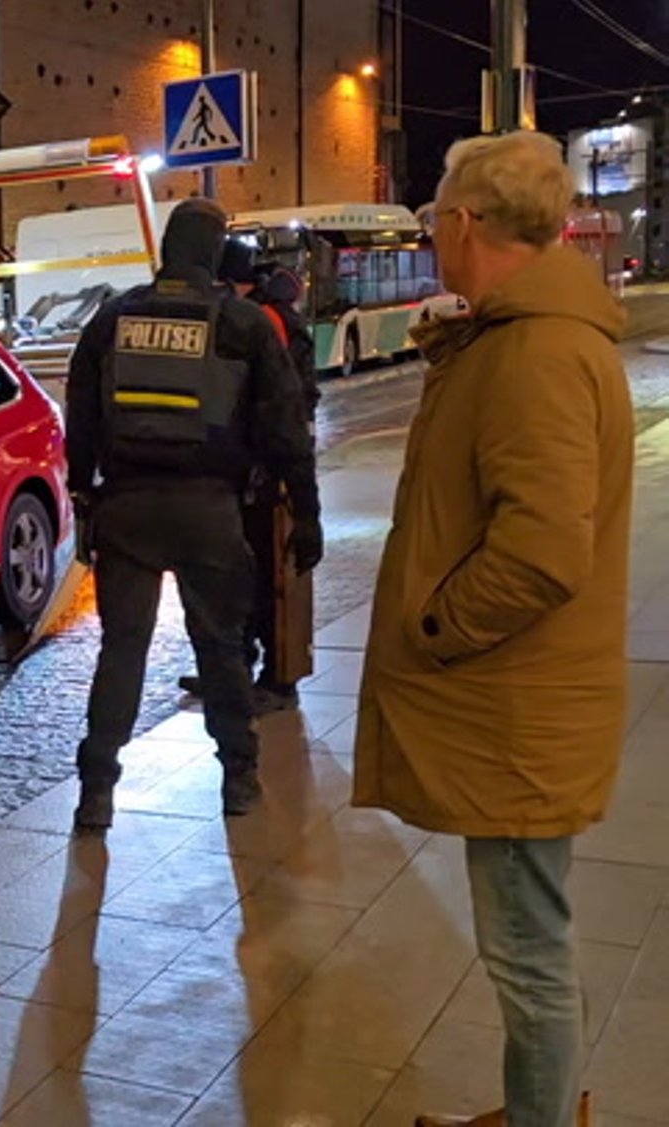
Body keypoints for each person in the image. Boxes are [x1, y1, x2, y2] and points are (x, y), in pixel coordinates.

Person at [361, 132, 629, 1127]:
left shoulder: (534, 353)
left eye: (435, 218)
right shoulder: (519, 336)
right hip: (523, 704)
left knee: (526, 949)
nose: (433, 234)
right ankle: (534, 1111)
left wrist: (433, 624)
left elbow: (541, 552)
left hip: (517, 713)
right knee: (531, 936)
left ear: (465, 222)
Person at [64, 198, 320, 834]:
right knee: (221, 648)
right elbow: (286, 428)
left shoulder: (113, 317)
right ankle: (239, 777)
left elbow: (82, 415)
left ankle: (97, 789)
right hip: (209, 510)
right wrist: (305, 511)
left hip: (126, 509)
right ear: (214, 251)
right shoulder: (241, 322)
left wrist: (83, 494)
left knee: (121, 650)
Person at [181, 252, 324, 713]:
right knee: (239, 576)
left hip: (267, 470)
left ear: (228, 281)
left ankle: (278, 680)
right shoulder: (260, 313)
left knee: (266, 577)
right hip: (253, 468)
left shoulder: (260, 320)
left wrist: (301, 499)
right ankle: (235, 670)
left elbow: (280, 403)